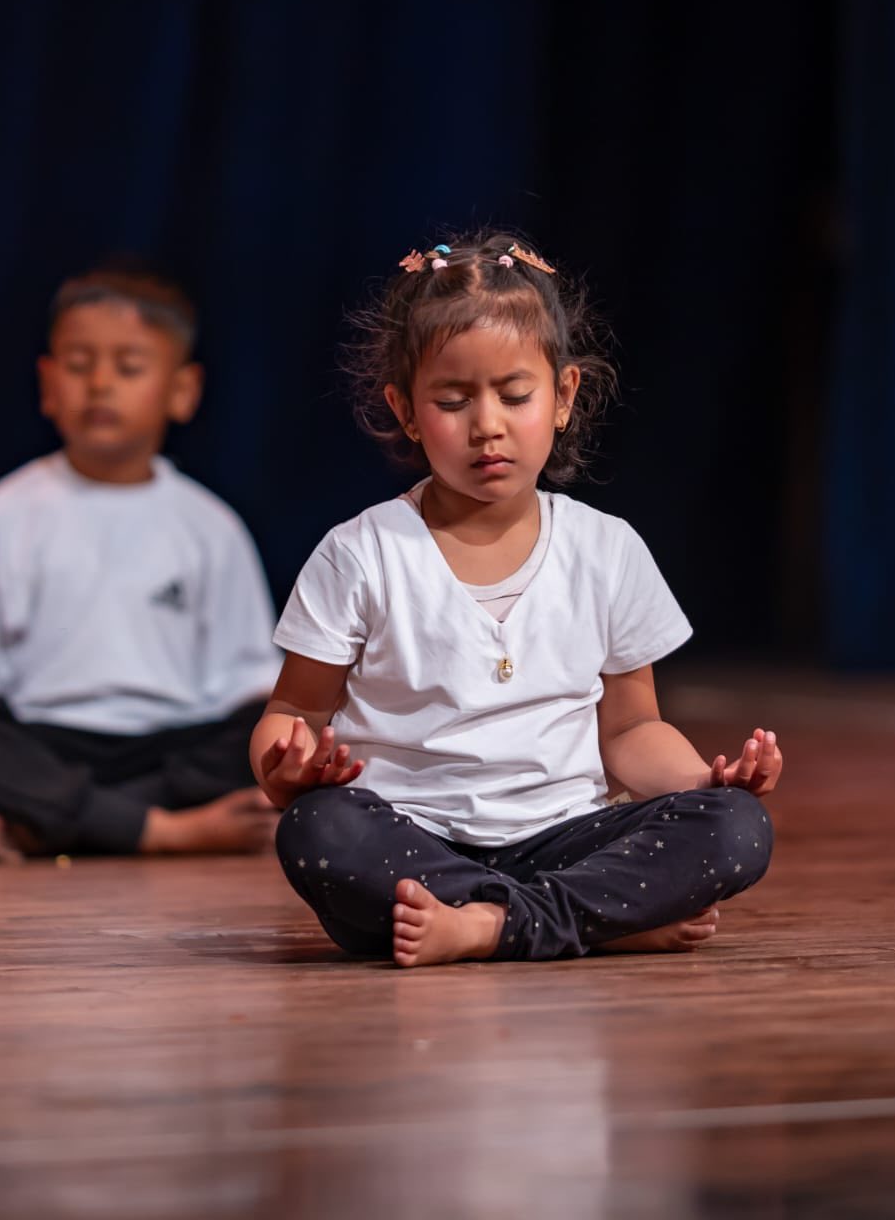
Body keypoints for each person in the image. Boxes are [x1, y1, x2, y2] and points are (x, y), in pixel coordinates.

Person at [250, 231, 783, 966]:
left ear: (563, 396)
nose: (487, 424)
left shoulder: (607, 549)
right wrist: (290, 768)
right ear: (407, 411)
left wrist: (705, 780)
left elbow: (629, 731)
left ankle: (488, 926)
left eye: (515, 394)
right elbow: (296, 713)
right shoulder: (361, 552)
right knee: (321, 832)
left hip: (562, 838)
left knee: (735, 827)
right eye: (453, 398)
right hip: (414, 838)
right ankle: (592, 921)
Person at [0, 266, 279, 860]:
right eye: (78, 365)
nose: (99, 384)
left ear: (182, 390)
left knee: (266, 733)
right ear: (47, 384)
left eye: (128, 368)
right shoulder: (3, 510)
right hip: (45, 739)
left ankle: (56, 820)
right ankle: (157, 830)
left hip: (168, 744)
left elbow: (249, 680)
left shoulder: (212, 526)